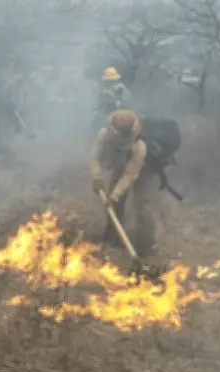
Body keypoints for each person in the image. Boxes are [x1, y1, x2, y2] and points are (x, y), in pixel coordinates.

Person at [90, 108, 155, 257]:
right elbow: (95, 157)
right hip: (120, 165)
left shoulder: (140, 146)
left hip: (143, 168)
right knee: (113, 203)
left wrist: (115, 196)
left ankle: (145, 245)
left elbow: (130, 175)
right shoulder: (104, 135)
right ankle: (113, 237)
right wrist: (97, 177)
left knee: (142, 203)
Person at [92, 66, 131, 132]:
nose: (108, 83)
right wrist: (96, 113)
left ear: (115, 80)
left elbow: (125, 107)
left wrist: (114, 100)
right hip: (106, 122)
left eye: (110, 81)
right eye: (107, 81)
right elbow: (97, 106)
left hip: (120, 122)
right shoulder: (103, 93)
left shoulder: (122, 90)